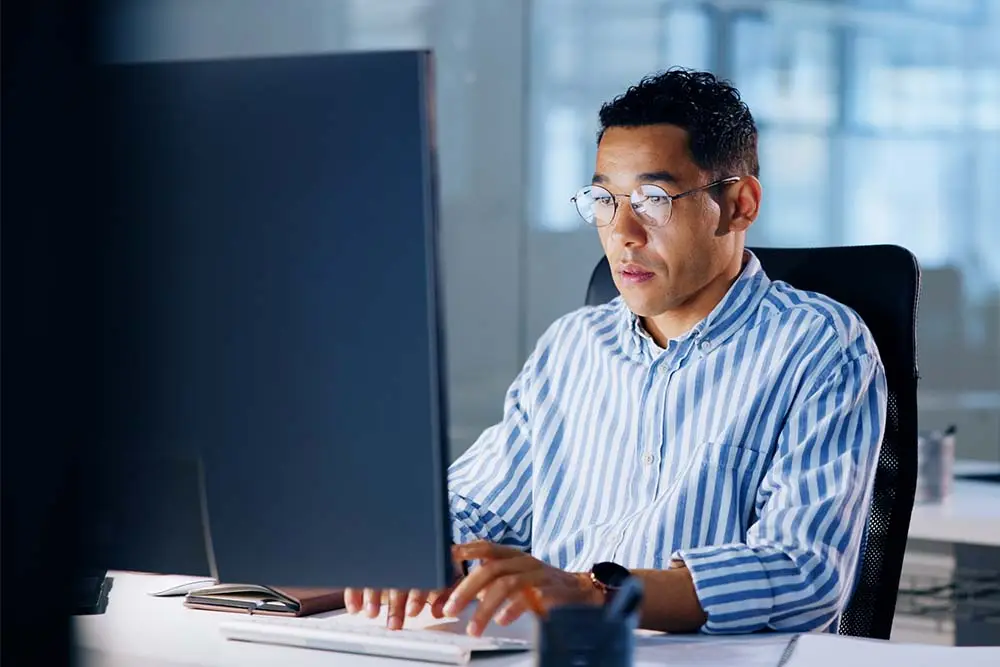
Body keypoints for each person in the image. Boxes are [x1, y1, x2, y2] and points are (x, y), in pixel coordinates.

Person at [345, 68, 887, 637]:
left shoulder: (819, 345)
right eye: (604, 199)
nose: (622, 232)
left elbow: (805, 574)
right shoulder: (573, 346)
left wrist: (590, 591)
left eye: (653, 199)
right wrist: (412, 550)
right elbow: (477, 507)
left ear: (740, 205)